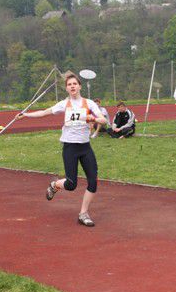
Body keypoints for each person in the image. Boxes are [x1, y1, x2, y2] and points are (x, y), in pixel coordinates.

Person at [15, 71, 107, 226]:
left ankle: (83, 214)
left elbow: (103, 120)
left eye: (75, 84)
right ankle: (54, 185)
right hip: (70, 147)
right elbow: (45, 113)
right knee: (71, 184)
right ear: (66, 88)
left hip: (85, 147)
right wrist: (26, 115)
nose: (72, 86)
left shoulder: (89, 103)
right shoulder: (64, 104)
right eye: (69, 84)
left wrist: (93, 118)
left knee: (93, 181)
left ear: (80, 86)